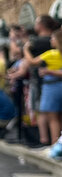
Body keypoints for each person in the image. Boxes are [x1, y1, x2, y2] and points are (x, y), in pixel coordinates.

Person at [24, 15, 61, 146]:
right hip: (58, 84)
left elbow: (31, 62)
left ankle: (52, 143)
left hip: (49, 86)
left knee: (50, 116)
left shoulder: (49, 52)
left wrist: (25, 49)